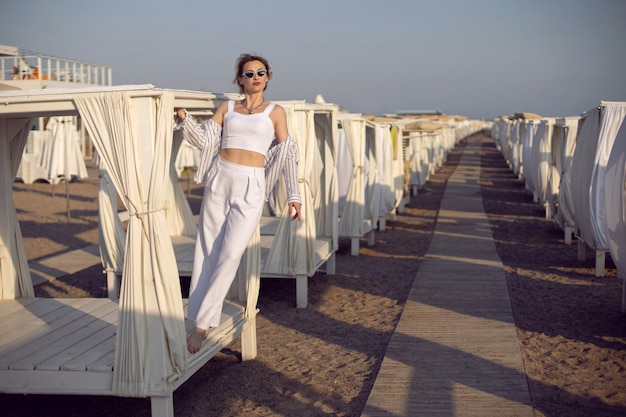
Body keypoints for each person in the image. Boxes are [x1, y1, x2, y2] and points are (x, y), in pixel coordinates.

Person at [174, 53, 302, 354]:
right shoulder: (227, 107)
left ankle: (203, 326)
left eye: (260, 72)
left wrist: (294, 195)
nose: (255, 77)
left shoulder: (276, 112)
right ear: (239, 79)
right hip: (221, 177)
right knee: (206, 249)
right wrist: (184, 120)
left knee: (231, 254)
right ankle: (198, 318)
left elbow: (288, 154)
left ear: (268, 77)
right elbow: (206, 141)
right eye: (248, 74)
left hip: (251, 184)